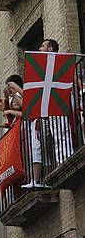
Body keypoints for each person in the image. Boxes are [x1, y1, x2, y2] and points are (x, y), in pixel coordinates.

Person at [38, 38, 73, 166]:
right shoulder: (44, 66)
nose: (39, 49)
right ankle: (60, 161)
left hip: (59, 100)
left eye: (43, 46)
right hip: (51, 102)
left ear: (50, 49)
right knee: (56, 132)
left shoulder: (58, 62)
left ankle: (67, 159)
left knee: (62, 130)